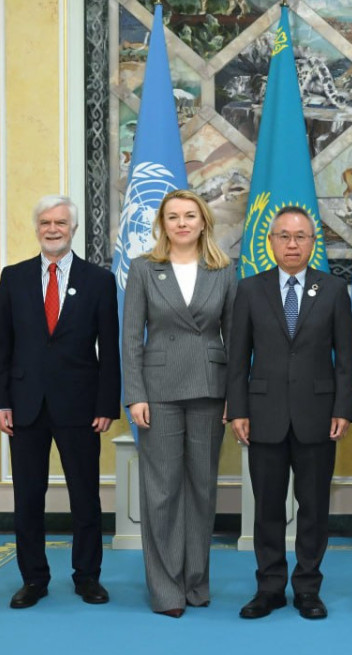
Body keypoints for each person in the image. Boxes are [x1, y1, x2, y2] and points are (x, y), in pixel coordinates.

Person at [0, 195, 120, 609]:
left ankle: (87, 577)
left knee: (85, 497)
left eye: (60, 222)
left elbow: (109, 348)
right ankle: (34, 579)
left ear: (73, 228)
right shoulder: (13, 277)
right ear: (37, 227)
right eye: (45, 222)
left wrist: (106, 404)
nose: (52, 229)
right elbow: (2, 344)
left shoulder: (98, 280)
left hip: (80, 405)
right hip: (24, 404)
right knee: (28, 498)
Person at [227, 207, 352, 621]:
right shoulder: (250, 289)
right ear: (270, 242)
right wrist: (237, 409)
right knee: (267, 507)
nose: (292, 244)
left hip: (318, 415)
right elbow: (237, 357)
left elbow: (346, 357)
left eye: (301, 236)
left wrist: (343, 407)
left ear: (313, 243)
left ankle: (307, 589)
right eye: (283, 236)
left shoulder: (333, 289)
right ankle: (269, 588)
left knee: (314, 507)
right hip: (263, 414)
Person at [122, 189, 238, 618]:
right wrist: (135, 394)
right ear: (162, 224)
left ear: (204, 221)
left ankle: (195, 582)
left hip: (209, 388)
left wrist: (235, 398)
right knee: (162, 491)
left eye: (190, 215)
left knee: (202, 490)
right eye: (173, 217)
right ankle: (166, 589)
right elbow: (130, 337)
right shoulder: (144, 269)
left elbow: (235, 338)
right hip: (158, 392)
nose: (182, 223)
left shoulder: (224, 270)